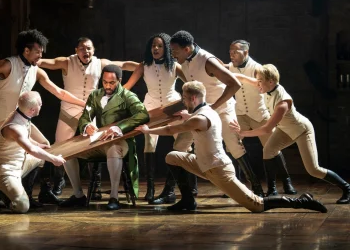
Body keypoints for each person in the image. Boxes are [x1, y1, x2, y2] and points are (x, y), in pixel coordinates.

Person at [135, 81, 327, 213]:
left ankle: (302, 202)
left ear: (193, 99)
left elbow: (172, 129)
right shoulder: (205, 110)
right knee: (172, 156)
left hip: (218, 170)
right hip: (203, 164)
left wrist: (147, 130)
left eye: (185, 98)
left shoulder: (201, 118)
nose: (183, 102)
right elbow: (191, 121)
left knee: (257, 205)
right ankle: (187, 200)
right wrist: (186, 116)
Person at [0, 29, 85, 207]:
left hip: (17, 120)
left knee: (45, 145)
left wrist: (83, 103)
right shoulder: (7, 64)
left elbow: (58, 91)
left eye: (42, 52)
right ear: (26, 51)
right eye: (38, 51)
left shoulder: (37, 71)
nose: (40, 55)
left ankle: (37, 193)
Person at [230, 64, 350, 205]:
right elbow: (242, 77)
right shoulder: (266, 85)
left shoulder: (283, 103)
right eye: (258, 80)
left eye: (260, 80)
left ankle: (347, 188)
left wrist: (242, 132)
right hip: (285, 129)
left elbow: (267, 129)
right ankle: (271, 191)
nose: (258, 83)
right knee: (268, 151)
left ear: (271, 81)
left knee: (313, 169)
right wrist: (223, 73)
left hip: (301, 130)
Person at [38, 37, 137, 198]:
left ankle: (95, 186)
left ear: (94, 50)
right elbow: (47, 62)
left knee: (94, 145)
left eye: (89, 48)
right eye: (83, 48)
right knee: (60, 148)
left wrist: (142, 66)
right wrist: (32, 61)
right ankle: (63, 184)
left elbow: (124, 65)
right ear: (76, 50)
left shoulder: (100, 63)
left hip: (91, 111)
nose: (86, 52)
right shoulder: (67, 62)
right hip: (68, 110)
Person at [170, 31, 264, 197]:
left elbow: (234, 84)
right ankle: (186, 194)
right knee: (179, 147)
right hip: (201, 112)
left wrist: (214, 106)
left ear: (186, 49)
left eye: (175, 51)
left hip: (221, 109)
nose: (173, 55)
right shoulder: (184, 61)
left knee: (234, 146)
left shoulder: (207, 60)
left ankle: (257, 190)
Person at [59, 64, 149, 210]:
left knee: (113, 149)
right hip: (98, 142)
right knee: (67, 154)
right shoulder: (95, 95)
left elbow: (143, 114)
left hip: (121, 142)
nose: (108, 85)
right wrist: (86, 125)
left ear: (119, 80)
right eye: (105, 82)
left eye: (112, 82)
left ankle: (114, 197)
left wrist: (121, 127)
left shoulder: (127, 96)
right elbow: (84, 117)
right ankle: (78, 195)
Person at [123, 33, 189, 204]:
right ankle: (150, 189)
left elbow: (191, 84)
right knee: (149, 144)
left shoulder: (174, 66)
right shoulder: (144, 66)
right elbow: (127, 87)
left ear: (166, 48)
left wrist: (188, 105)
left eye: (159, 46)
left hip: (173, 107)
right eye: (153, 45)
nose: (156, 49)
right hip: (151, 108)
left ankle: (181, 187)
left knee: (182, 146)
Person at [227, 39, 296, 196]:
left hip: (259, 112)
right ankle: (235, 183)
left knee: (272, 148)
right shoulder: (229, 67)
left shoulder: (258, 68)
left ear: (246, 52)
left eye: (235, 52)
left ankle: (286, 182)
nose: (232, 55)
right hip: (240, 113)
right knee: (233, 145)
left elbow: (260, 85)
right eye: (230, 52)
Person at [0, 91, 66, 213]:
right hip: (5, 172)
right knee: (22, 206)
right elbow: (30, 149)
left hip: (19, 164)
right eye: (39, 104)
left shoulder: (21, 114)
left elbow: (25, 138)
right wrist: (53, 159)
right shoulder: (14, 127)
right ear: (31, 110)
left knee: (41, 157)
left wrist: (38, 144)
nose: (42, 105)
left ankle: (32, 194)